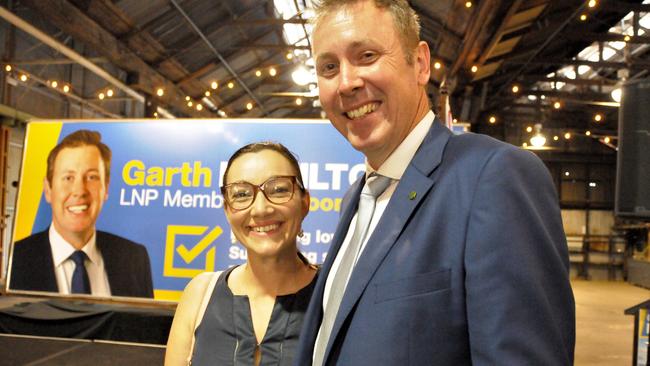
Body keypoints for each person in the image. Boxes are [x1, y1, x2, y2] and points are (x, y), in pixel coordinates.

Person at [295, 0, 576, 365]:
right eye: (329, 67)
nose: (346, 83)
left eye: (366, 55)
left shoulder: (493, 176)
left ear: (420, 63)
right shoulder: (358, 196)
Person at [165, 142, 318, 366]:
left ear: (304, 203)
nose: (260, 209)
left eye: (279, 190)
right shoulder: (200, 294)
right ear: (227, 210)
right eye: (242, 194)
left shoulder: (332, 295)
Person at [9, 129, 153, 298]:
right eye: (68, 178)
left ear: (105, 188)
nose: (79, 191)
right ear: (48, 189)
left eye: (91, 177)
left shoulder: (134, 258)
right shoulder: (15, 259)